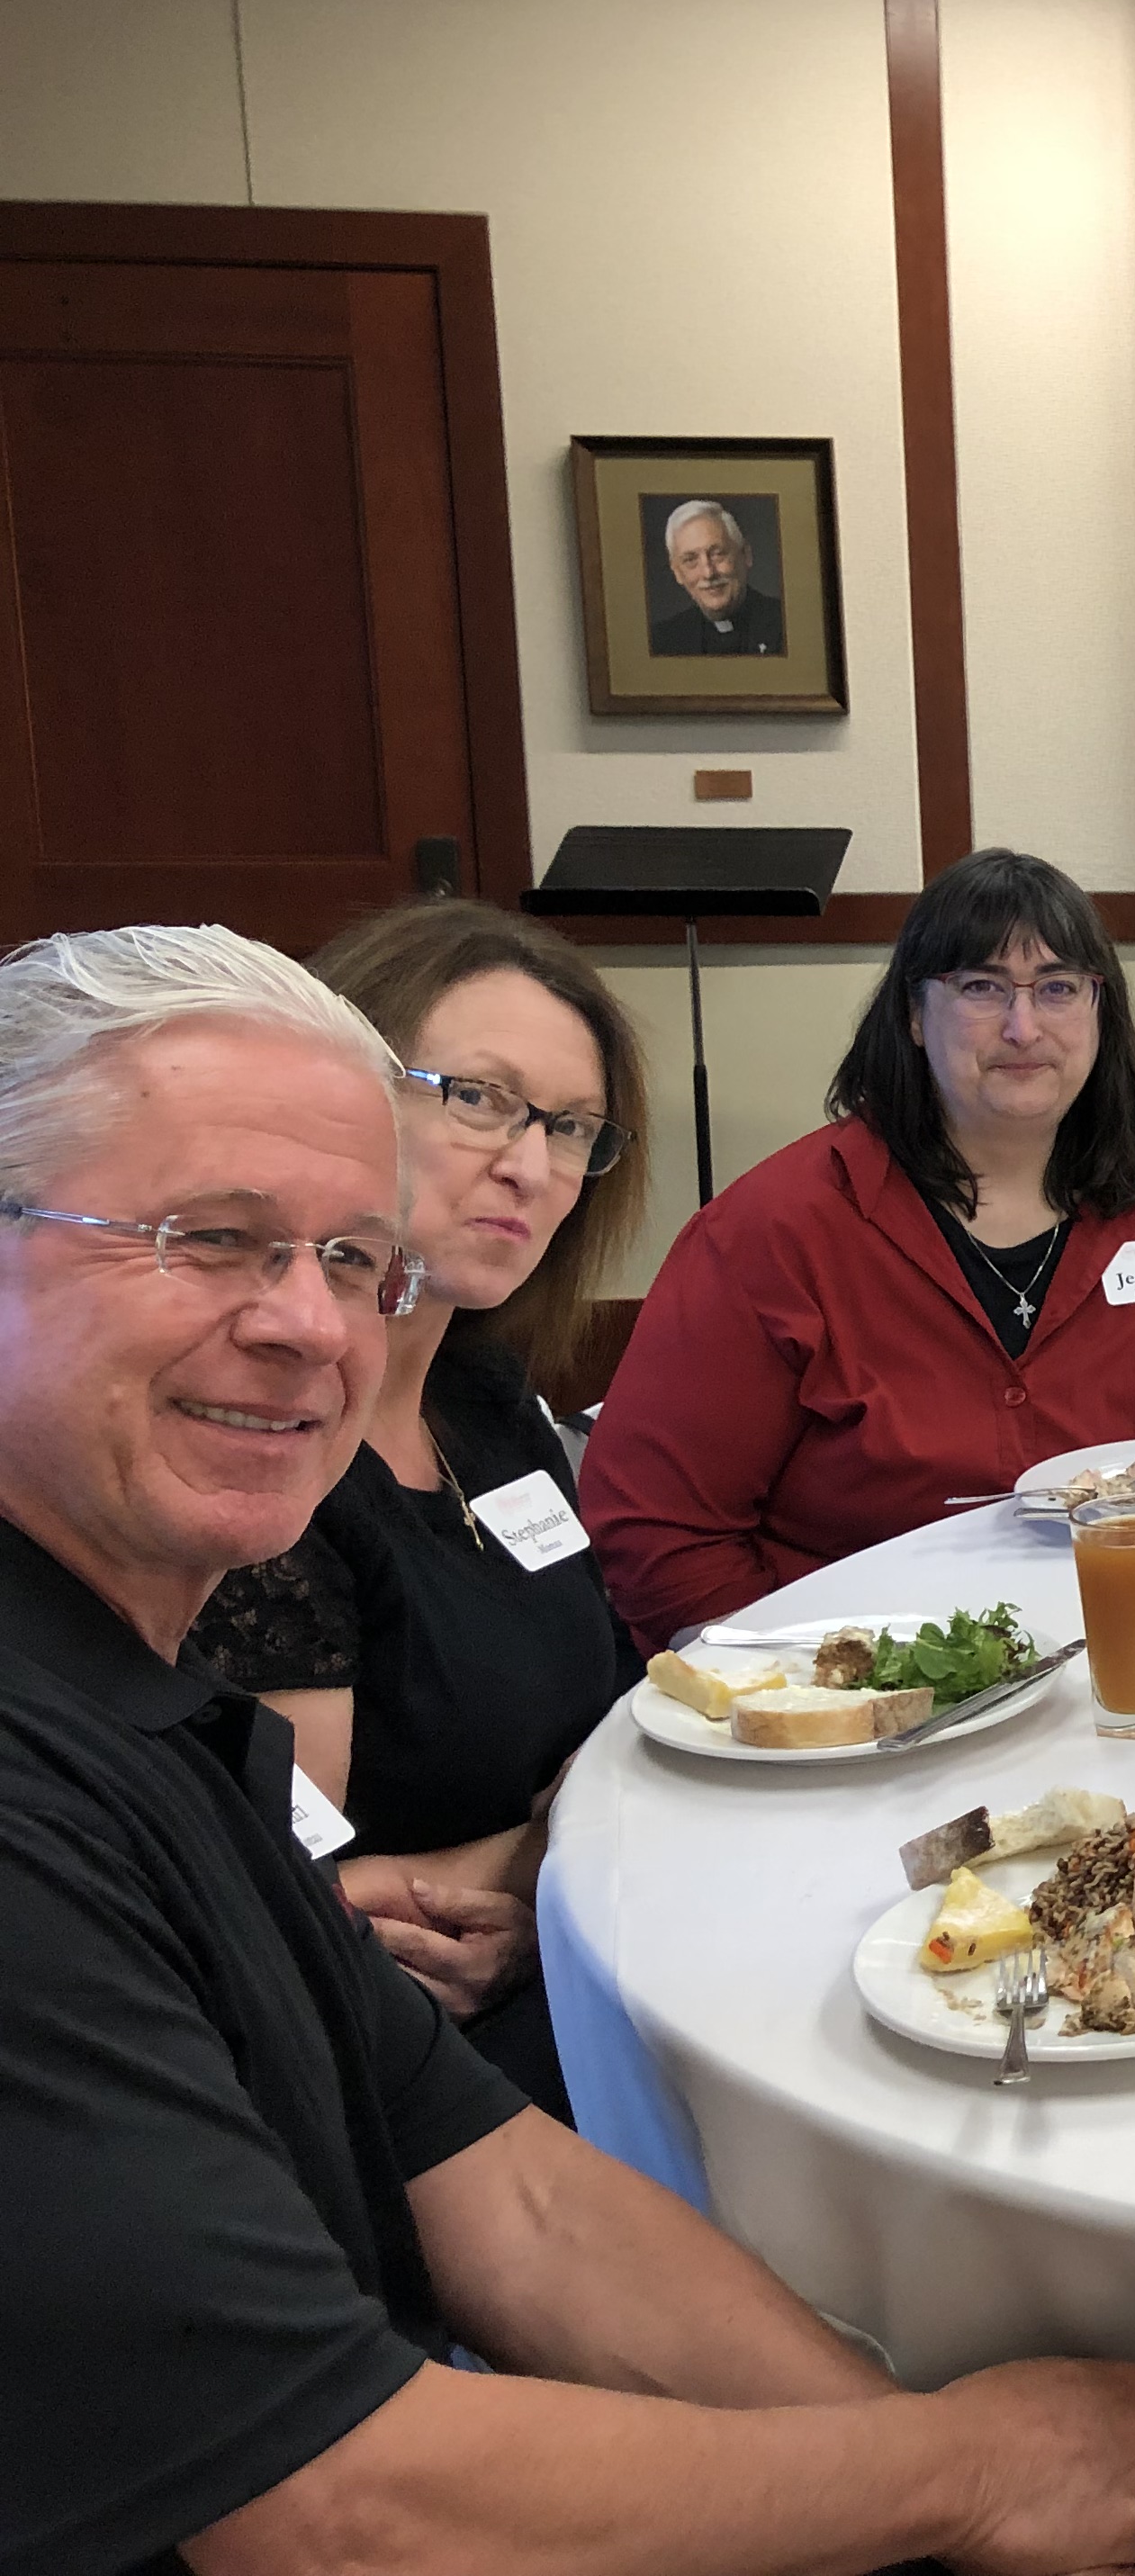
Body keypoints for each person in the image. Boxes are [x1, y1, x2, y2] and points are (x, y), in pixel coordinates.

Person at [0, 923, 1135, 2575]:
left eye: (351, 1261)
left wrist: (940, 2463)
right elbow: (338, 2507)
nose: (309, 1327)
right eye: (211, 1237)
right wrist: (950, 2476)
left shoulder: (151, 1701)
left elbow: (506, 2193)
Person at [178, 899, 650, 2121]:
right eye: (479, 1098)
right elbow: (305, 1899)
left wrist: (548, 1867)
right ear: (345, 1085)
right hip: (409, 2067)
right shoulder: (271, 1453)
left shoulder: (485, 1395)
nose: (530, 1165)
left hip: (581, 1944)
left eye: (570, 1128)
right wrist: (551, 1861)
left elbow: (610, 1717)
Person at [582, 850, 1135, 1648]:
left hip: (1130, 1652)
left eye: (1058, 987)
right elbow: (657, 1535)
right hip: (857, 1698)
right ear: (914, 1014)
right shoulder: (772, 1233)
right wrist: (820, 1681)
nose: (1024, 1027)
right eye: (981, 987)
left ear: (1099, 1011)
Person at [645, 497, 788, 658]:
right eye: (691, 560)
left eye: (717, 554)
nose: (708, 573)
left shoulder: (788, 625)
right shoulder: (662, 642)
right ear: (677, 572)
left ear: (746, 555)